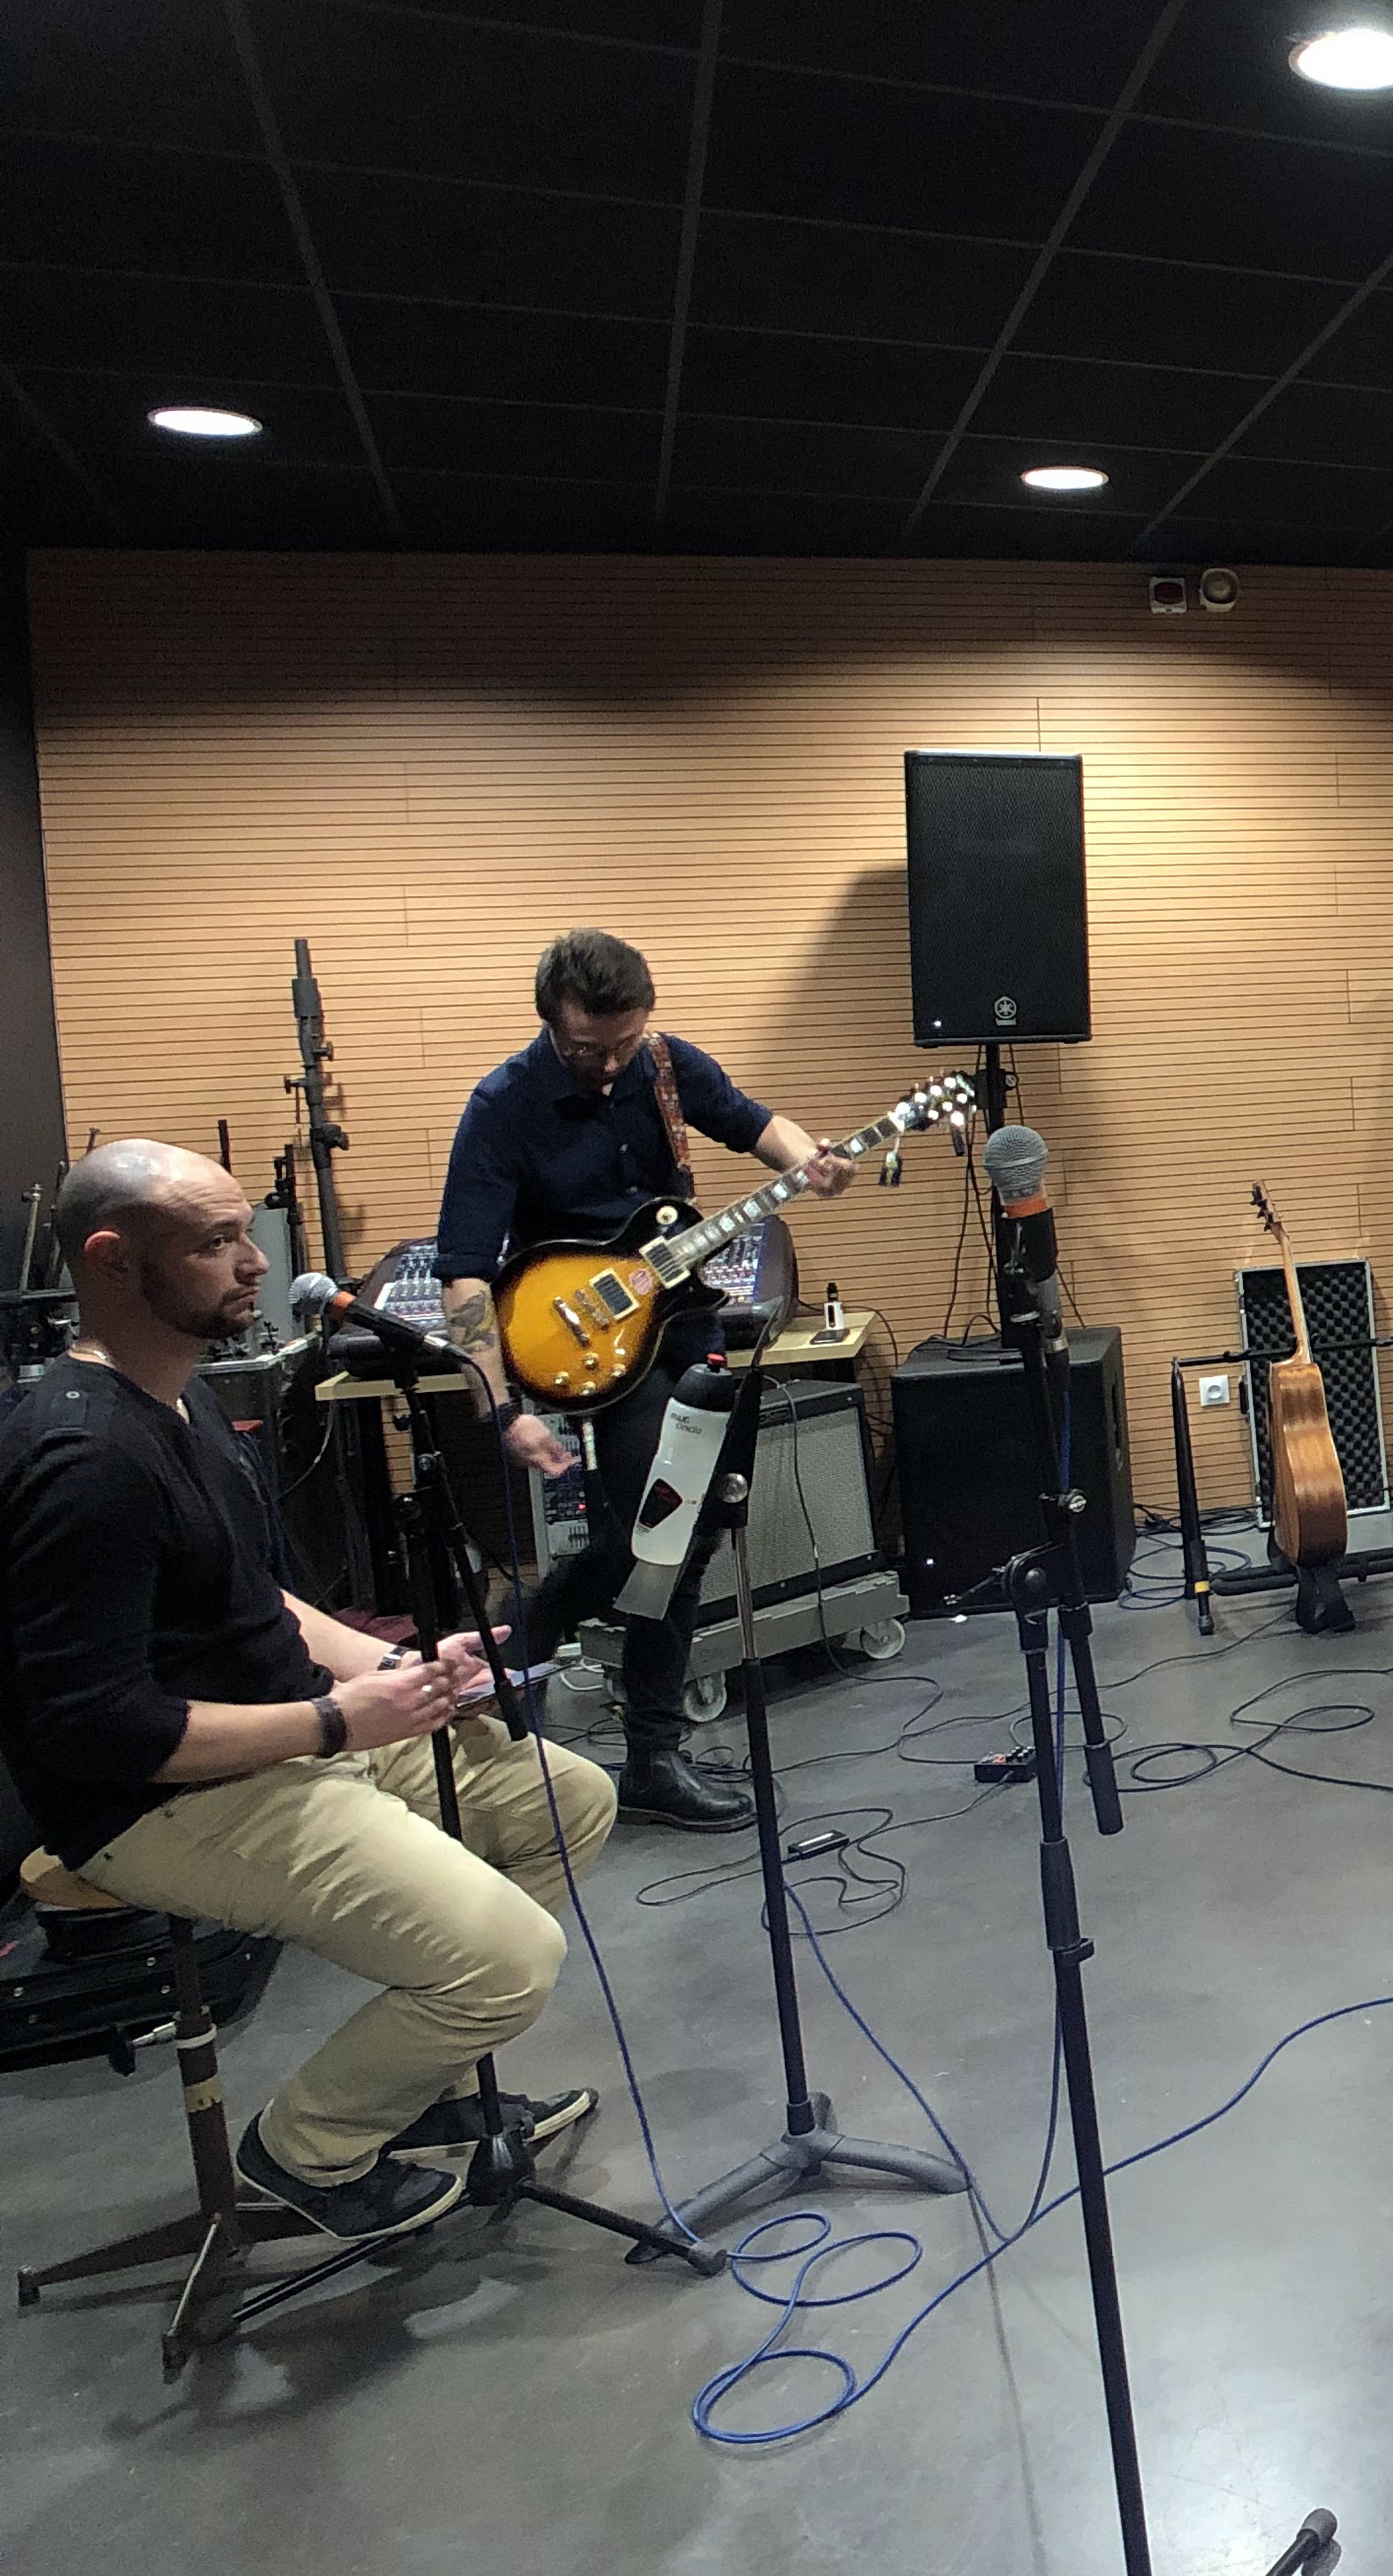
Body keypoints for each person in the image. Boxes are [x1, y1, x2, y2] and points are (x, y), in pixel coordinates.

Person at [0, 1142, 616, 2245]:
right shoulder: (84, 1458)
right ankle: (307, 2149)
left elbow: (259, 1598)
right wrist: (336, 1722)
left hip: (290, 1739)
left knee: (565, 1802)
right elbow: (104, 1729)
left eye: (247, 1234)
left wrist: (389, 1672)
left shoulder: (178, 1402)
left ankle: (416, 2086)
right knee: (509, 1963)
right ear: (112, 1260)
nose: (254, 1263)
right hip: (161, 1801)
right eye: (215, 1243)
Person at [435, 930, 854, 1832]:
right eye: (588, 1048)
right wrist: (499, 1407)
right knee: (648, 1538)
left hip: (686, 1329)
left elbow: (756, 1122)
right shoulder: (503, 1105)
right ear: (551, 1023)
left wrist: (808, 1161)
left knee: (687, 1536)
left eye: (623, 1042)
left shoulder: (664, 1065)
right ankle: (545, 1639)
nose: (609, 1064)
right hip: (593, 1353)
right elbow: (464, 1272)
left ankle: (648, 1752)